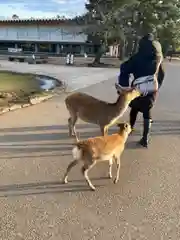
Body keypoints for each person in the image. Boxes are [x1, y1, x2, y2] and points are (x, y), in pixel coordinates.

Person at [117, 33, 165, 148]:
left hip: (137, 89)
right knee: (147, 111)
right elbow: (162, 74)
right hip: (151, 91)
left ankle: (130, 129)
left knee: (134, 107)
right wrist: (156, 87)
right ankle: (145, 138)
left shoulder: (137, 57)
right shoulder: (157, 58)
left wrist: (124, 86)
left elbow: (124, 68)